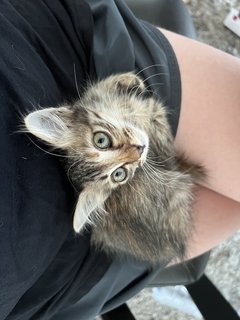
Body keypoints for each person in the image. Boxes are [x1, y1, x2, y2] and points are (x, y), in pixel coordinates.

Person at [0, 0, 239, 319]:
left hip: (59, 71)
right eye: (119, 171)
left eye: (103, 141)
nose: (134, 153)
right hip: (68, 265)